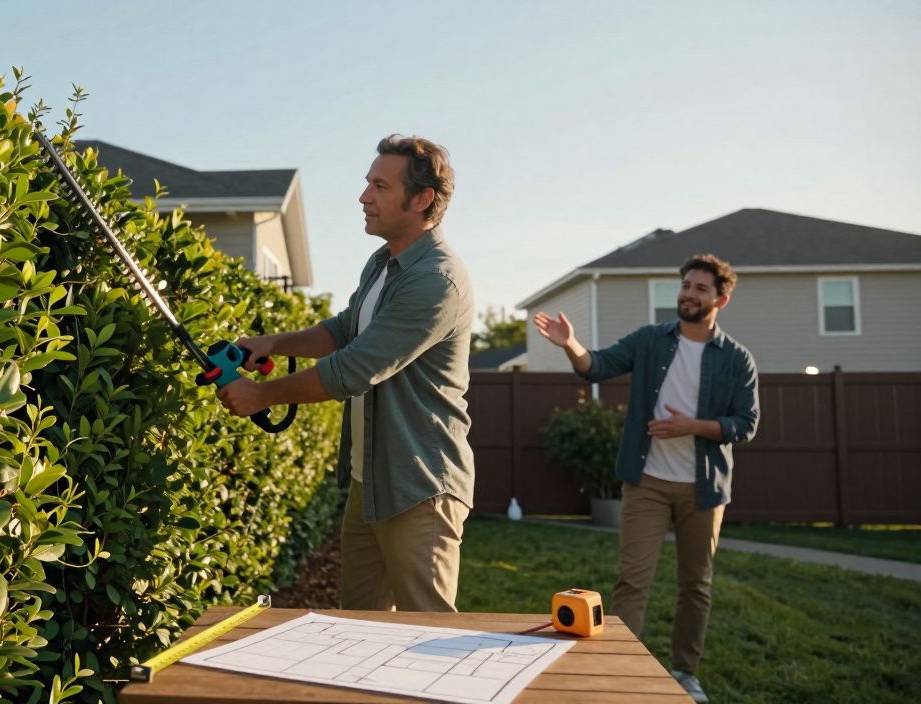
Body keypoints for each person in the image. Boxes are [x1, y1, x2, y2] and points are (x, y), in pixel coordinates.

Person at [216, 134, 475, 612]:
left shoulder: (435, 280)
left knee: (431, 636)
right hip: (370, 481)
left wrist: (262, 395)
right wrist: (274, 343)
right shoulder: (383, 264)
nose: (364, 197)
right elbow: (344, 330)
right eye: (367, 184)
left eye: (379, 186)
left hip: (419, 488)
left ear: (421, 200)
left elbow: (353, 369)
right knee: (359, 627)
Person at [532, 253, 759, 704]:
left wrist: (691, 426)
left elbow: (745, 424)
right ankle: (620, 669)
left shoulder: (736, 359)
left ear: (721, 299)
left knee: (696, 584)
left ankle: (685, 673)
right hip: (647, 481)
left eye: (700, 289)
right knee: (632, 581)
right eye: (686, 285)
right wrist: (570, 345)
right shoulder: (652, 341)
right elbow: (596, 365)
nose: (689, 294)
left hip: (704, 487)